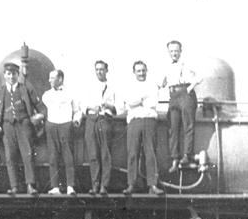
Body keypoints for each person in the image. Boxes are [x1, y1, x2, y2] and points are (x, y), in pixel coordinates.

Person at [0, 62, 46, 195]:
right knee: (10, 157)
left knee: (27, 155)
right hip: (7, 127)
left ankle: (30, 185)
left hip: (24, 125)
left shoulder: (26, 89)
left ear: (18, 75)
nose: (11, 77)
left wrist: (39, 116)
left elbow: (41, 107)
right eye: (9, 74)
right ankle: (15, 186)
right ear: (4, 75)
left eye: (14, 74)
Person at [122, 61, 164, 195]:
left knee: (150, 153)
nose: (141, 73)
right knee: (133, 153)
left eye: (143, 70)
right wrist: (142, 98)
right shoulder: (129, 86)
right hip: (134, 121)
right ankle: (131, 184)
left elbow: (153, 102)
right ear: (134, 72)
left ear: (146, 71)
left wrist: (138, 100)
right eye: (138, 71)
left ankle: (153, 185)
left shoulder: (152, 85)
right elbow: (129, 102)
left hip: (149, 120)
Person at [159, 40, 200, 173]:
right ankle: (175, 158)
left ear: (180, 51)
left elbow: (200, 76)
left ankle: (187, 155)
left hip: (185, 94)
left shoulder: (188, 63)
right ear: (168, 52)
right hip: (173, 96)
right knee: (172, 127)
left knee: (188, 125)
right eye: (171, 51)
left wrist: (189, 88)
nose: (174, 53)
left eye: (176, 51)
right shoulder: (166, 66)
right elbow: (162, 83)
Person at [42, 69, 81, 195]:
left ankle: (70, 186)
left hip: (66, 125)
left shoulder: (71, 93)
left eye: (52, 78)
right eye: (49, 77)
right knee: (53, 156)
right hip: (51, 125)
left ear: (60, 79)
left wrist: (76, 121)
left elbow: (77, 110)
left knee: (68, 157)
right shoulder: (46, 95)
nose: (49, 80)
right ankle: (55, 187)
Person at [83, 60, 116, 195]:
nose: (99, 72)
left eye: (102, 69)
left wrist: (107, 105)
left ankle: (104, 185)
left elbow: (118, 107)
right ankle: (95, 184)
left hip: (105, 120)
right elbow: (82, 104)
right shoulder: (89, 86)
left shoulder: (112, 87)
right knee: (93, 154)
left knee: (105, 154)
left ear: (106, 70)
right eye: (97, 69)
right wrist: (91, 107)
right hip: (91, 120)